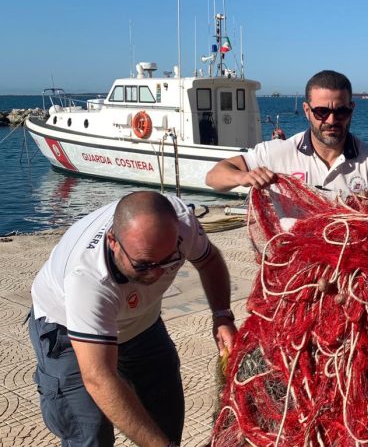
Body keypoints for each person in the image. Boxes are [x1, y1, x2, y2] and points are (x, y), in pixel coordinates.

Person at [28, 191, 237, 447]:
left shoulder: (181, 222)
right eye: (143, 264)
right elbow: (98, 377)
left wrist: (222, 315)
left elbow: (209, 261)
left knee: (164, 411)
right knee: (90, 432)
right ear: (113, 241)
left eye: (168, 260)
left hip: (141, 324)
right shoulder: (88, 279)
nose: (157, 273)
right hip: (66, 325)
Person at [205, 70, 368, 198]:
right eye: (321, 111)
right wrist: (243, 177)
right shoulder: (277, 153)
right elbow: (213, 177)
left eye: (341, 111)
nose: (331, 120)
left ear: (352, 110)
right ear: (307, 111)